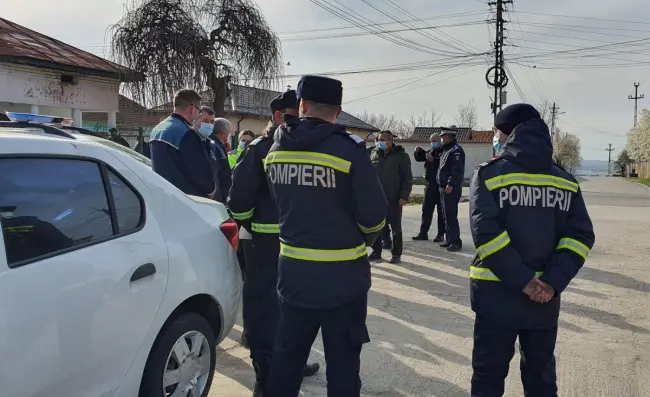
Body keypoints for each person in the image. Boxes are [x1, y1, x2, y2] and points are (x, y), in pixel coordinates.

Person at [263, 75, 387, 397]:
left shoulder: (275, 149)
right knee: (343, 364)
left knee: (287, 359)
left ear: (302, 105)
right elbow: (374, 216)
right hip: (343, 279)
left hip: (293, 276)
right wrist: (365, 240)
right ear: (339, 110)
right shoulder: (350, 152)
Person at [469, 103, 595, 397]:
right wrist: (550, 281)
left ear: (508, 134)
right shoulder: (564, 181)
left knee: (488, 377)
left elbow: (486, 235)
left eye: (498, 133)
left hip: (496, 294)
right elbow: (579, 237)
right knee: (541, 378)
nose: (495, 139)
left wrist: (523, 280)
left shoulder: (489, 174)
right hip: (544, 299)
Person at [228, 89, 320, 396]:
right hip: (267, 244)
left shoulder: (306, 149)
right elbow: (239, 200)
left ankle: (293, 362)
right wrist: (251, 226)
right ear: (279, 117)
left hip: (295, 244)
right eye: (296, 115)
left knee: (294, 308)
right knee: (265, 309)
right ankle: (265, 375)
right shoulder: (260, 149)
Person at [150, 89, 216, 199]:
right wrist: (211, 191)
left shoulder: (157, 130)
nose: (198, 115)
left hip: (162, 195)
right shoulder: (186, 134)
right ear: (192, 108)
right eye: (199, 111)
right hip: (187, 199)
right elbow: (202, 173)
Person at [367, 130, 413, 264]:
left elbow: (407, 178)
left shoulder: (401, 156)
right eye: (379, 139)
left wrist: (404, 196)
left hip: (394, 198)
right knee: (377, 227)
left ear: (391, 141)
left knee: (396, 229)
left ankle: (396, 254)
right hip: (376, 198)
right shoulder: (374, 154)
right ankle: (376, 252)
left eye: (384, 139)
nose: (381, 141)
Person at [412, 133, 445, 242]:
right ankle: (423, 233)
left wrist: (433, 160)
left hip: (440, 186)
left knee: (441, 211)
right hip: (430, 185)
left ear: (439, 141)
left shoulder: (444, 152)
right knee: (426, 210)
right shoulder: (431, 151)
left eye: (434, 141)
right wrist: (417, 152)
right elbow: (421, 157)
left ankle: (440, 234)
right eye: (431, 141)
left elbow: (444, 164)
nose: (432, 143)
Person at [437, 127, 465, 252]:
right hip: (443, 187)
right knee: (445, 215)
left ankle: (455, 242)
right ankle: (449, 239)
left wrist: (450, 183)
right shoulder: (446, 150)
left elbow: (457, 170)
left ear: (449, 137)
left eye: (443, 136)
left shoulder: (456, 150)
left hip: (451, 188)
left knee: (451, 215)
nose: (442, 139)